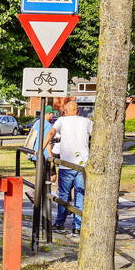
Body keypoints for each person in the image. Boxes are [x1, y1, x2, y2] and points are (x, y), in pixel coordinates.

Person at [46, 101, 92, 236]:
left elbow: (50, 134)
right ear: (78, 111)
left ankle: (60, 223)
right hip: (82, 165)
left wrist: (41, 149)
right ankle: (77, 226)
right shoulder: (87, 121)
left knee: (64, 195)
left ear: (65, 111)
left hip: (66, 164)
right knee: (80, 195)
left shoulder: (61, 121)